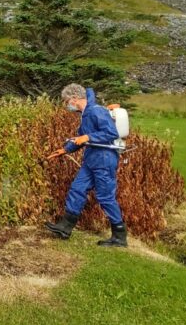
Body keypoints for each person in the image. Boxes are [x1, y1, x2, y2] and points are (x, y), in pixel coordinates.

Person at [46, 83, 128, 247]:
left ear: (75, 99)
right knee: (77, 189)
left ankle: (119, 236)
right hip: (91, 160)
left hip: (104, 160)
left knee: (105, 197)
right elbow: (81, 138)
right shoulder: (85, 113)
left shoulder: (96, 111)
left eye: (66, 101)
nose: (66, 105)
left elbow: (111, 133)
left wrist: (88, 137)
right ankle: (65, 227)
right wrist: (65, 150)